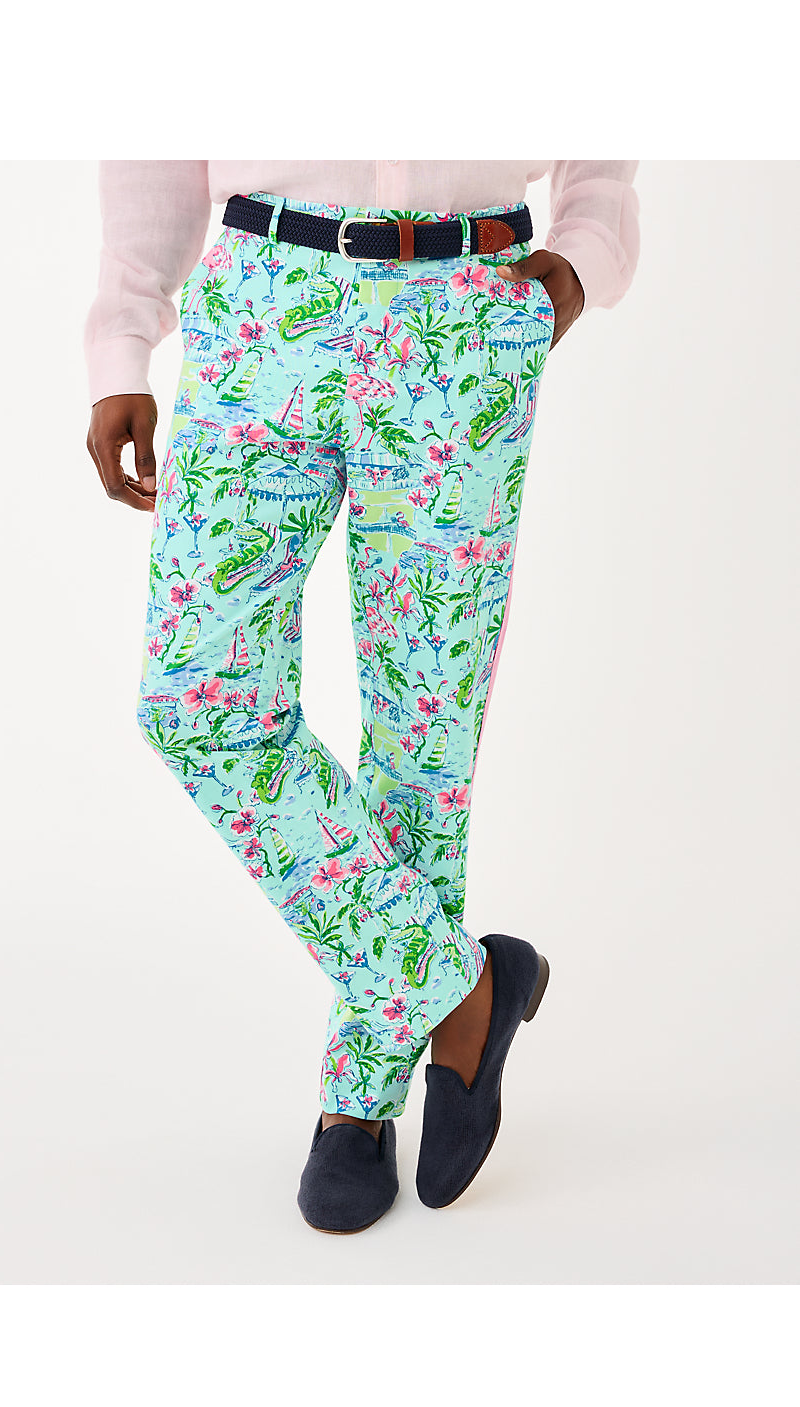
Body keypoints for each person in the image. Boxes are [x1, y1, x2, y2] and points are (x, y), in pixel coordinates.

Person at [84, 161, 640, 1233]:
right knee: (196, 699)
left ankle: (360, 1100)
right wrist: (122, 335)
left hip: (465, 308)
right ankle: (458, 988)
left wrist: (577, 260)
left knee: (423, 733)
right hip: (262, 303)